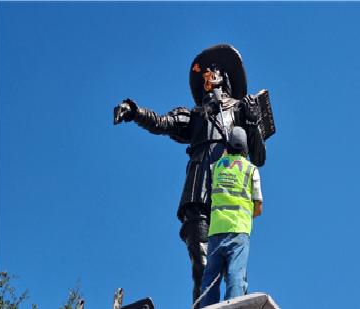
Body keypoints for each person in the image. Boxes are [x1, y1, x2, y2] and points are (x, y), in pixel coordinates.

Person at [113, 44, 273, 307]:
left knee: (234, 266)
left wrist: (253, 123)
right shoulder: (195, 115)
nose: (210, 71)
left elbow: (259, 158)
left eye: (216, 68)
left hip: (230, 199)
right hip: (199, 192)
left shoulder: (242, 111)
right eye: (207, 70)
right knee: (201, 266)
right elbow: (161, 123)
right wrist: (134, 111)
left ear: (226, 78)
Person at [199, 127, 263, 308]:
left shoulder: (216, 167)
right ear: (246, 148)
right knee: (236, 274)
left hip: (216, 229)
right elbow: (258, 207)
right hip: (238, 230)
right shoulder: (251, 170)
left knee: (210, 276)